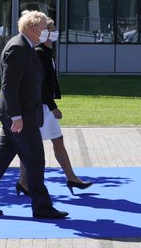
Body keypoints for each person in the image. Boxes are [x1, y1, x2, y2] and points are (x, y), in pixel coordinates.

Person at [0, 10, 67, 219]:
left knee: (1, 158)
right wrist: (16, 117)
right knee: (35, 159)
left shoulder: (27, 46)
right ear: (32, 29)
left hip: (21, 115)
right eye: (43, 29)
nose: (46, 33)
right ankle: (42, 206)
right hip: (20, 116)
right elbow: (9, 86)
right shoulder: (18, 47)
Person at [17, 20, 94, 196]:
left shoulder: (47, 52)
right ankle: (24, 181)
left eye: (53, 29)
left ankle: (71, 178)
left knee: (56, 141)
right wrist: (53, 107)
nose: (53, 33)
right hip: (42, 107)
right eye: (49, 30)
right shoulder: (39, 53)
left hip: (45, 105)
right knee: (33, 144)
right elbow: (41, 85)